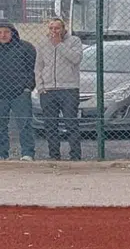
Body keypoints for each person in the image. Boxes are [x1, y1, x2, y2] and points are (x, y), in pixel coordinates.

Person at [34, 19, 82, 161]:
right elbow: (39, 66)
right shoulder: (43, 43)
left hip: (68, 89)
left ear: (63, 29)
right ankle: (54, 155)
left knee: (71, 123)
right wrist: (40, 86)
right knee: (50, 125)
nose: (54, 31)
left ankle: (75, 156)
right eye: (51, 28)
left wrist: (59, 44)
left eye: (57, 28)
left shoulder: (74, 41)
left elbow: (76, 59)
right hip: (48, 90)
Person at [0, 21, 37, 161]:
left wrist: (27, 88)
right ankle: (2, 154)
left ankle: (27, 153)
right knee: (1, 126)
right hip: (0, 94)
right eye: (0, 32)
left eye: (6, 32)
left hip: (20, 93)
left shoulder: (26, 47)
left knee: (25, 124)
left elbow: (32, 69)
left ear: (13, 33)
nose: (3, 35)